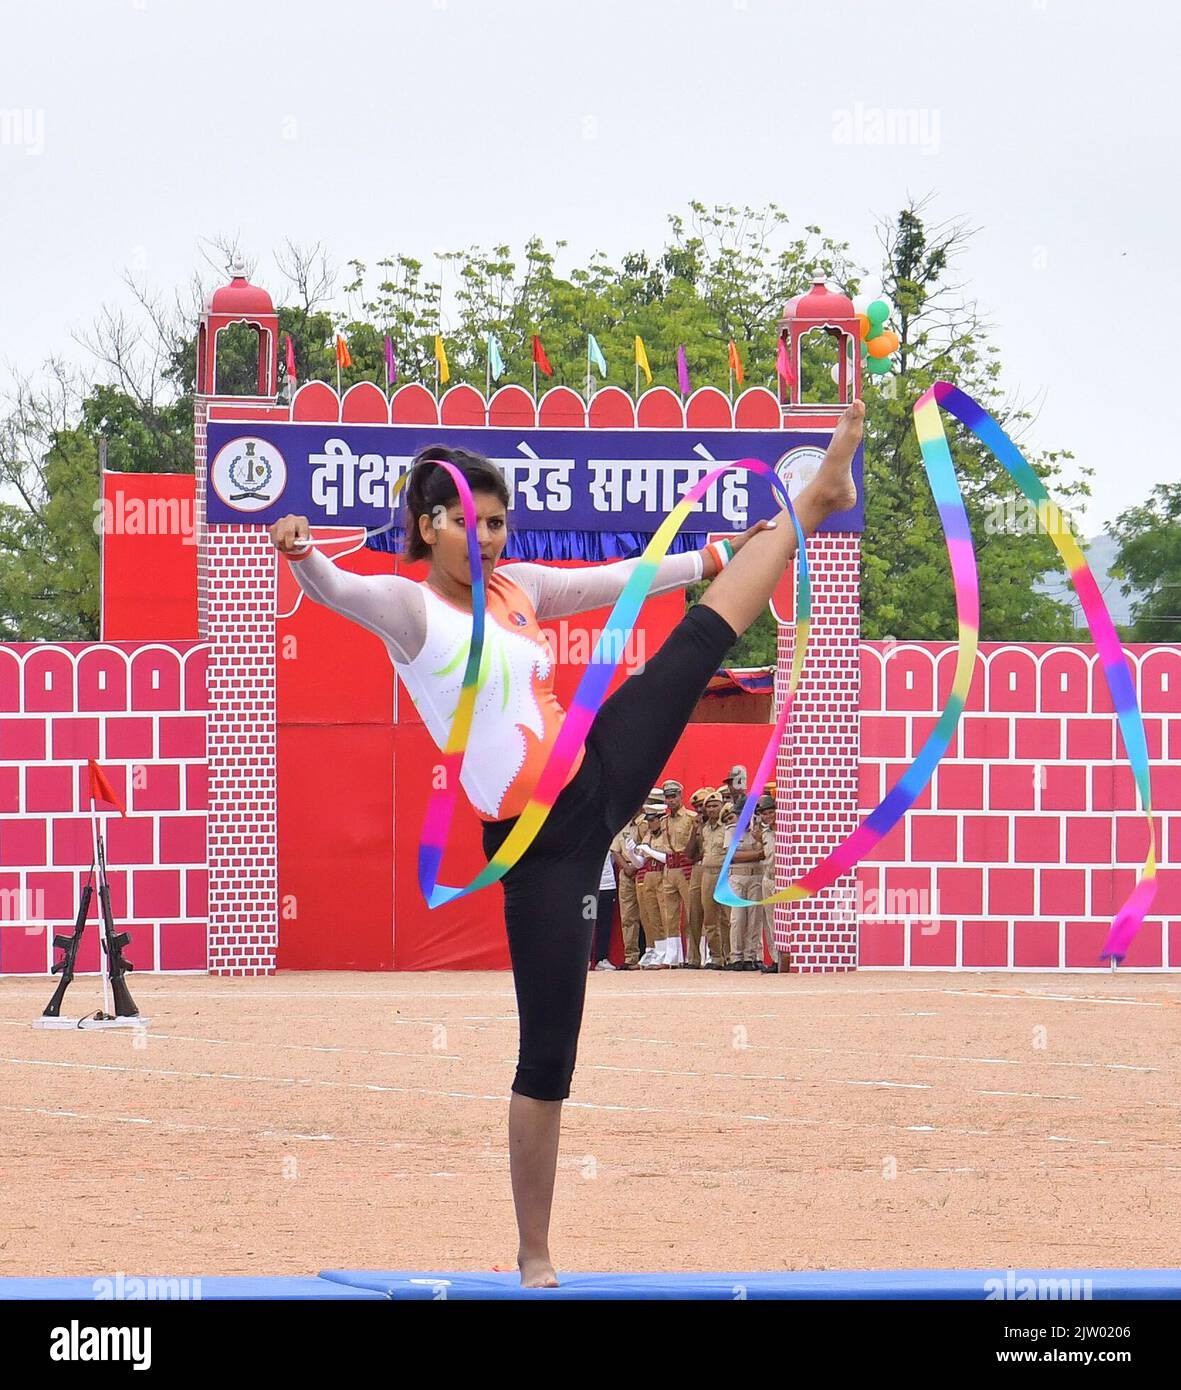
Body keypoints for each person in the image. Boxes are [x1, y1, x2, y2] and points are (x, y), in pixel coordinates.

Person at [269, 403, 861, 1286]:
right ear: (430, 527)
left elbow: (619, 580)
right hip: (536, 849)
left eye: (504, 523)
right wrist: (302, 551)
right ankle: (534, 1251)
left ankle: (813, 500)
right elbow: (333, 591)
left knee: (694, 643)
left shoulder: (519, 590)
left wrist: (706, 555)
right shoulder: (408, 609)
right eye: (477, 523)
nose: (494, 539)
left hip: (596, 777)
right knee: (547, 1056)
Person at [656, 779, 699, 968]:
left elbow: (697, 842)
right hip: (669, 867)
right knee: (669, 915)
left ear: (681, 796)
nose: (670, 800)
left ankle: (695, 955)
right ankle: (673, 957)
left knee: (693, 912)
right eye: (667, 797)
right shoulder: (663, 820)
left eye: (674, 796)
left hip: (685, 867)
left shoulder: (690, 817)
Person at [696, 789, 732, 970]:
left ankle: (730, 955)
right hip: (707, 873)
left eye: (715, 805)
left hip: (724, 872)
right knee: (710, 917)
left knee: (727, 917)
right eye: (708, 806)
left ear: (721, 806)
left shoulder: (727, 827)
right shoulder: (704, 829)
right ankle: (716, 956)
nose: (711, 810)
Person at [609, 809, 647, 969]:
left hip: (646, 870)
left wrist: (637, 867)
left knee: (649, 914)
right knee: (628, 916)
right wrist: (626, 867)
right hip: (626, 871)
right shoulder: (623, 823)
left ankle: (651, 953)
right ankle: (631, 956)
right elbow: (615, 849)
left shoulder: (646, 823)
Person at [591, 848, 617, 971]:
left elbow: (614, 858)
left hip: (608, 886)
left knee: (605, 925)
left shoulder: (609, 835)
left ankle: (602, 959)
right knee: (588, 923)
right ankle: (586, 959)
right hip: (589, 889)